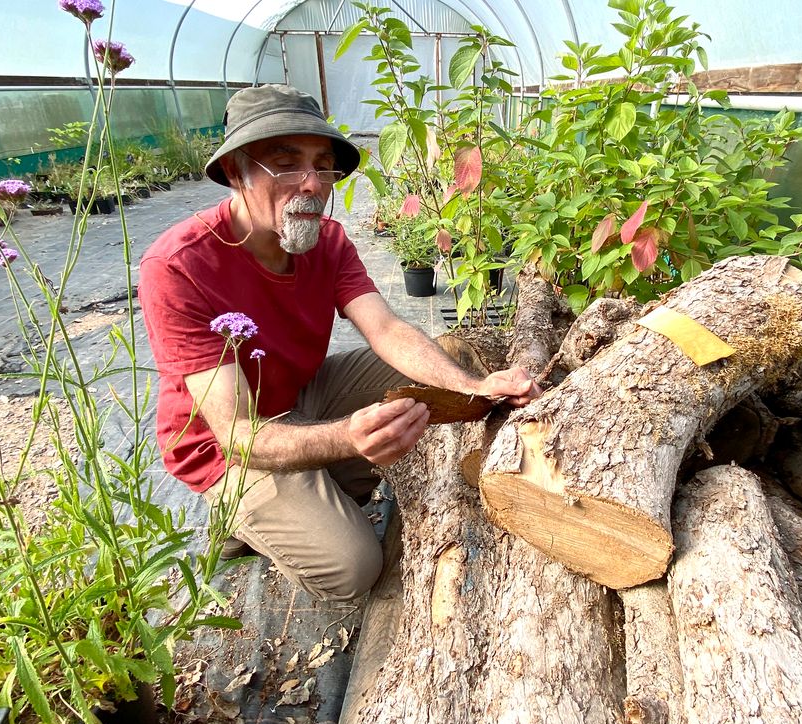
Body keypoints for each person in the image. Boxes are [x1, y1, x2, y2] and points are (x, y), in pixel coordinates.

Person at [138, 84, 540, 601]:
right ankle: (241, 514)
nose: (312, 184)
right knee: (353, 566)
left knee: (436, 366)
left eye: (323, 166)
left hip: (298, 396)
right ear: (237, 172)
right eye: (286, 164)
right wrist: (349, 438)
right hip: (225, 446)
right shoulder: (179, 266)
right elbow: (236, 433)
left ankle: (315, 488)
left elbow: (386, 329)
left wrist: (474, 387)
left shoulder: (327, 241)